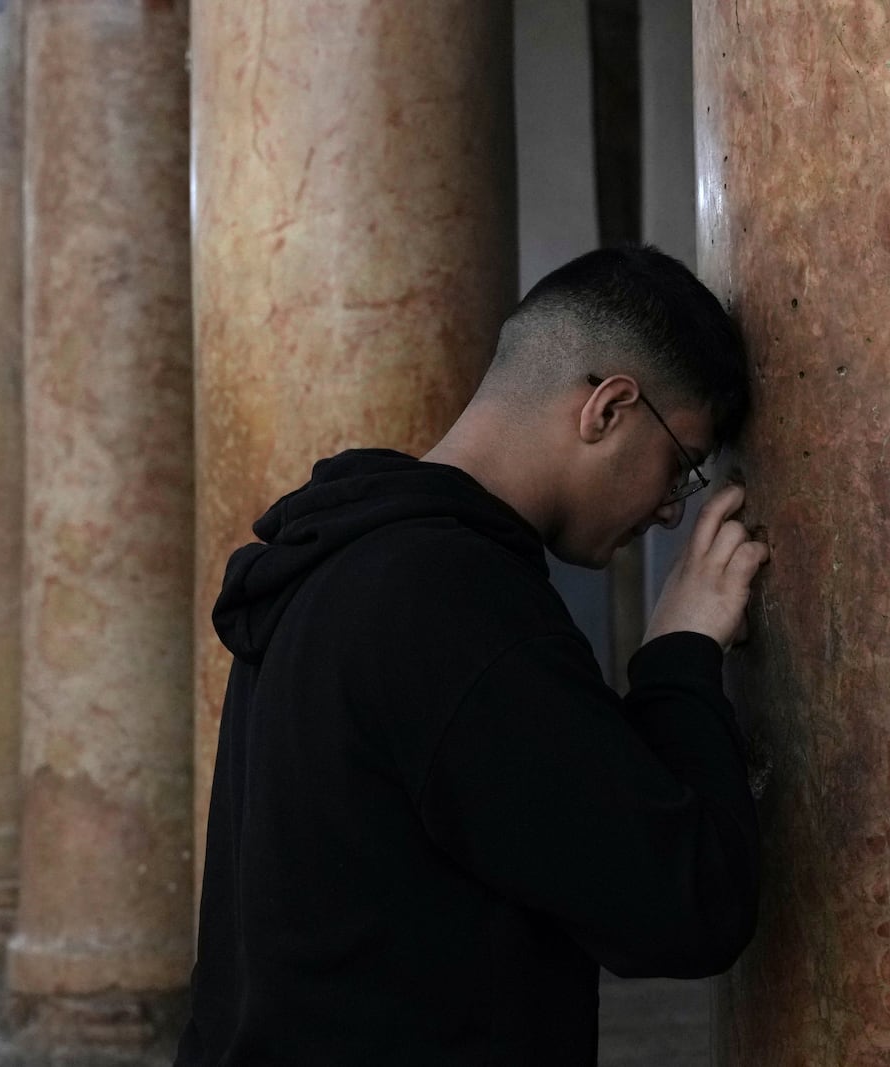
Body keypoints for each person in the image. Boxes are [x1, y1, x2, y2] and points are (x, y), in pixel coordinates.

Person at [175, 245, 770, 1066]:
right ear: (608, 409)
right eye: (681, 466)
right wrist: (680, 653)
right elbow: (686, 903)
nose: (673, 511)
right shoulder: (451, 604)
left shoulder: (343, 557)